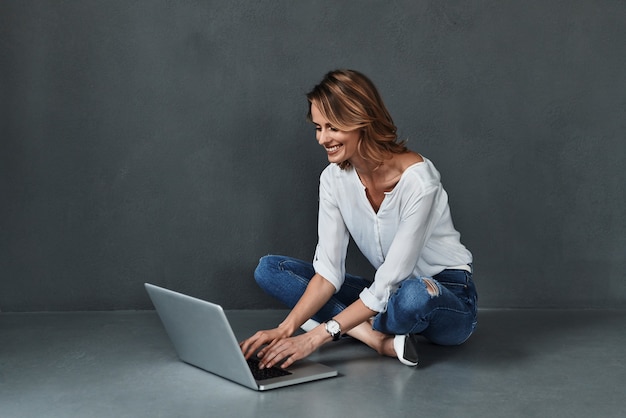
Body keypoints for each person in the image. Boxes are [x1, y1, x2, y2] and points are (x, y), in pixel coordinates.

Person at [240, 69, 477, 369]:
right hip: (386, 290)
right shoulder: (333, 180)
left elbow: (393, 278)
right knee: (271, 269)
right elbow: (328, 274)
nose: (322, 138)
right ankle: (378, 339)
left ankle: (355, 323)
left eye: (332, 128)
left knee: (412, 297)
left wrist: (314, 337)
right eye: (318, 127)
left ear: (360, 122)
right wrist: (285, 329)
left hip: (445, 294)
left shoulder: (420, 182)